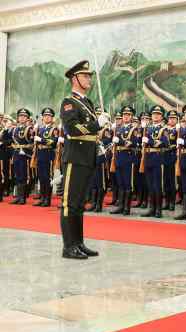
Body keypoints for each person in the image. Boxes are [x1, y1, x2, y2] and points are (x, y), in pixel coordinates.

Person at [59, 60, 109, 259]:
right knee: (69, 203)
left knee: (79, 203)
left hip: (87, 157)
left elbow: (90, 130)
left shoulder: (86, 102)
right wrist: (97, 124)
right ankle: (68, 246)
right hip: (75, 157)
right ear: (75, 78)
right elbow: (72, 129)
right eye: (85, 75)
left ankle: (78, 243)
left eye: (89, 75)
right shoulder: (69, 102)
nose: (89, 78)